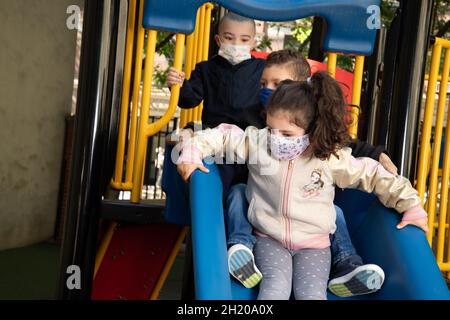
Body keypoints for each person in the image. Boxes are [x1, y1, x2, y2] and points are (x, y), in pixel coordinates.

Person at [176, 72, 429, 300]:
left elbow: (372, 174)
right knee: (275, 289)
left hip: (314, 245)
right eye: (272, 129)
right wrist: (191, 151)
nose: (276, 139)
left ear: (310, 130)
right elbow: (222, 136)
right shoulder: (259, 143)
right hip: (270, 238)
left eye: (287, 135)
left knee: (311, 295)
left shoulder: (327, 157)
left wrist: (411, 204)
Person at [166, 12, 265, 287]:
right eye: (230, 38)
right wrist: (178, 84)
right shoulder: (206, 69)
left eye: (244, 39)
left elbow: (277, 103)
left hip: (249, 146)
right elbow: (189, 99)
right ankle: (221, 246)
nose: (237, 44)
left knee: (246, 194)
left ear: (254, 41)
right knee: (216, 195)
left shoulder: (260, 71)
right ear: (219, 39)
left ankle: (246, 247)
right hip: (215, 144)